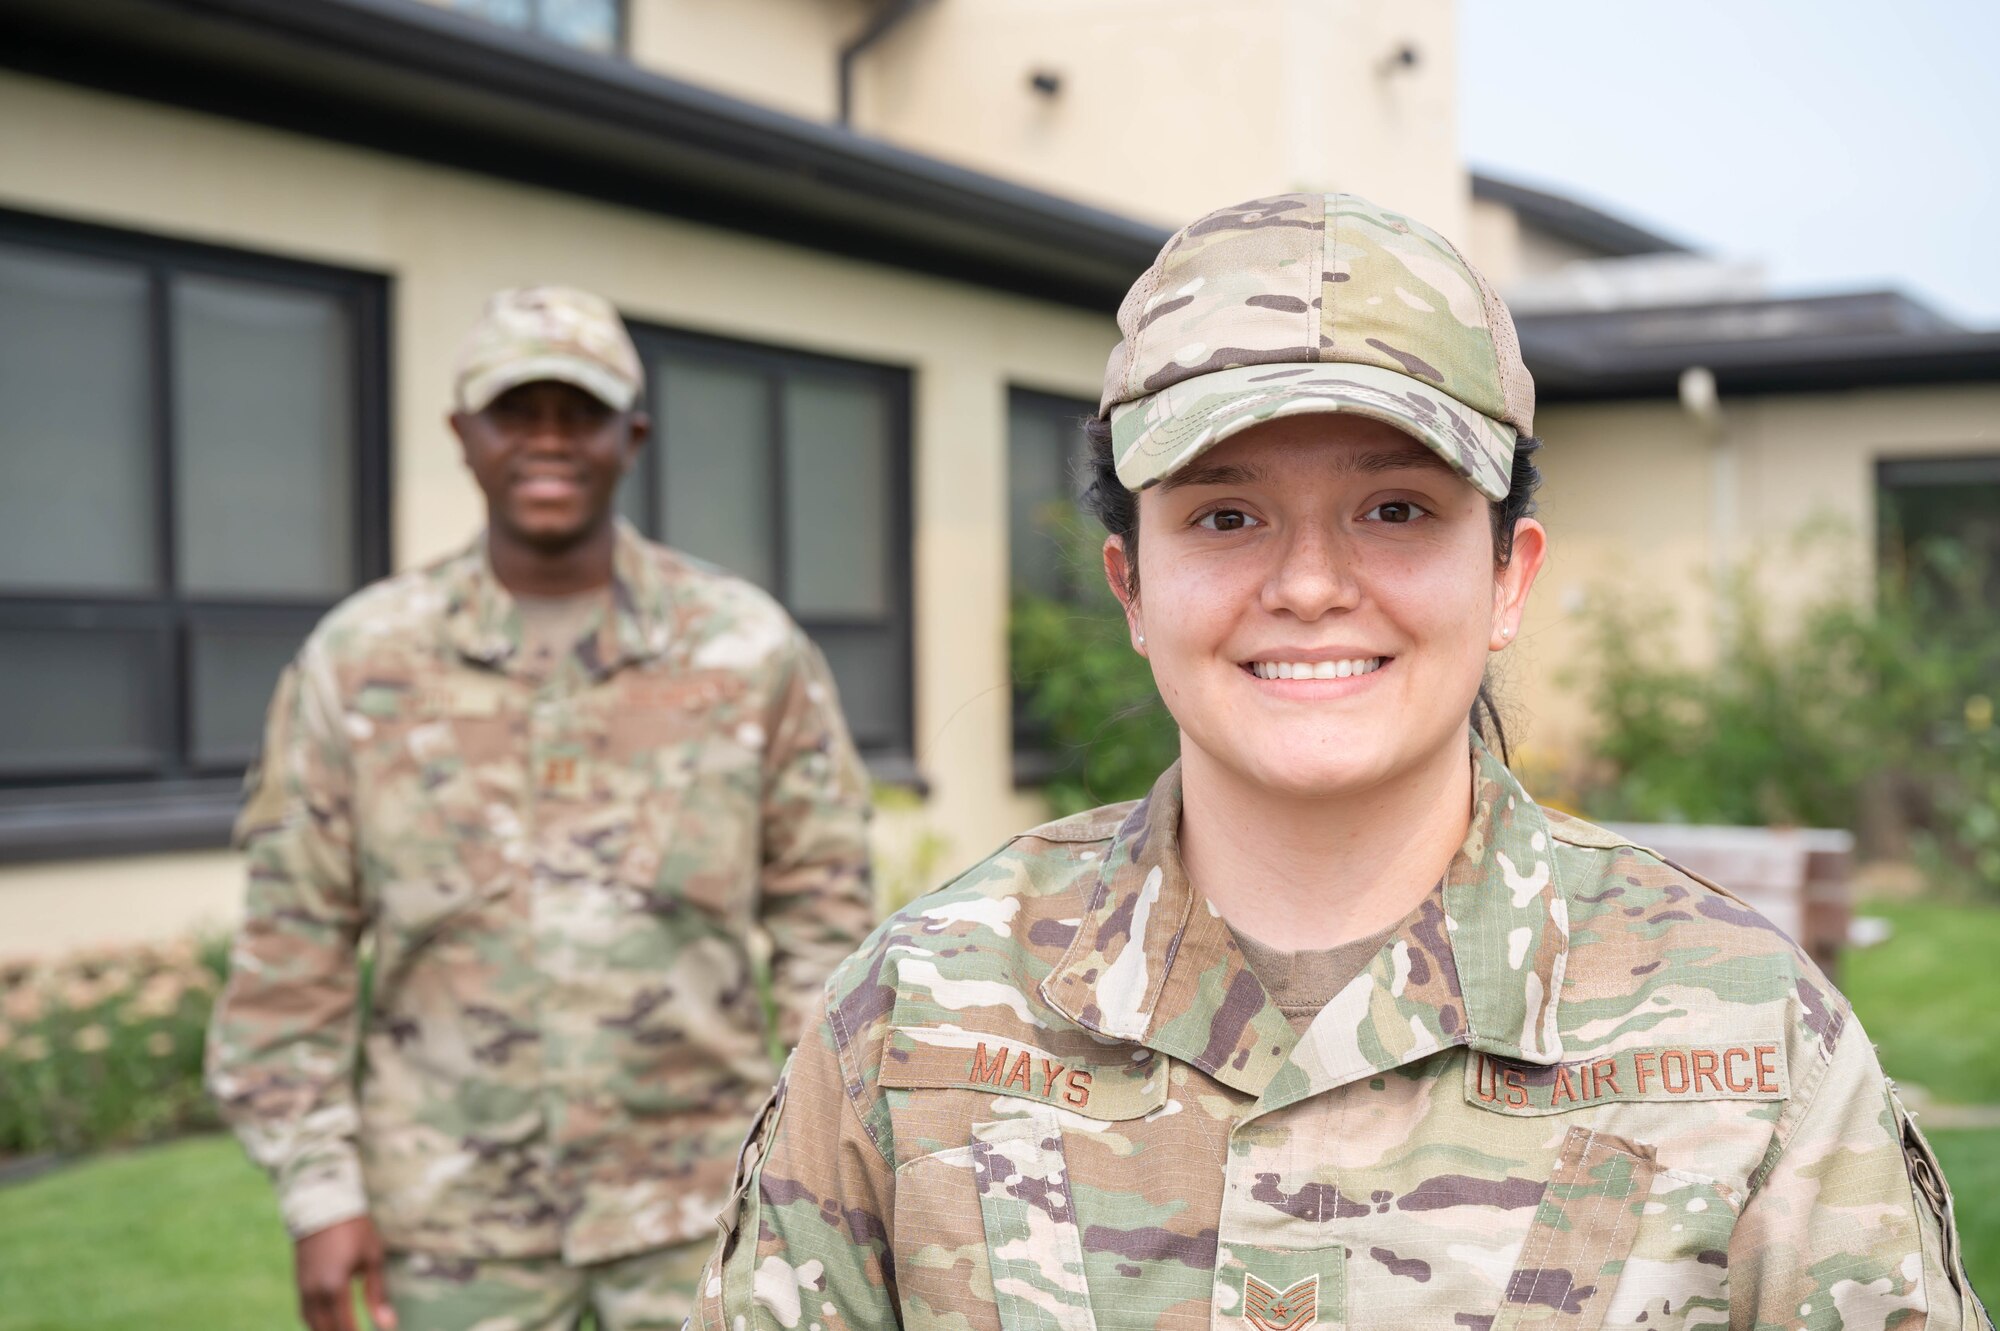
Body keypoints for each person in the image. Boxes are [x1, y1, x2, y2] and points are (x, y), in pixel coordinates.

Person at [690, 195, 1988, 1330]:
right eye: (1228, 512)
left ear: (1507, 576)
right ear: (1132, 583)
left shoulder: (1749, 1040)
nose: (1310, 584)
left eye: (1396, 507)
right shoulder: (916, 1023)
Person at [208, 286, 874, 1331]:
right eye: (517, 413)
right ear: (462, 437)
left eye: (582, 413)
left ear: (633, 435)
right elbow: (294, 948)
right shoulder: (360, 662)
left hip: (701, 1208)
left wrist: (809, 1169)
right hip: (450, 1223)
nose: (549, 441)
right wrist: (319, 1192)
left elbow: (826, 930)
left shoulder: (748, 651)